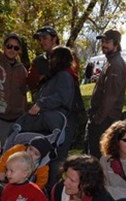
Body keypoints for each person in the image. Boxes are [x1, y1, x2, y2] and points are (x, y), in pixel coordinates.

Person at [12, 46, 83, 191]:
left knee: (56, 160)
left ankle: (52, 191)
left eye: (53, 58)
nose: (50, 60)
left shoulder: (64, 76)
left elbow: (62, 98)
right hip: (55, 124)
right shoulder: (60, 75)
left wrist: (41, 104)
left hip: (62, 125)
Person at [85, 29, 126, 159]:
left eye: (107, 42)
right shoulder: (110, 61)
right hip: (102, 118)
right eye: (102, 41)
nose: (103, 44)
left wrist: (98, 119)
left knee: (98, 158)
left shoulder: (115, 64)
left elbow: (111, 96)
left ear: (116, 44)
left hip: (105, 120)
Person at [27, 26, 60, 100]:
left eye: (44, 38)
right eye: (39, 39)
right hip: (44, 106)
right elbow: (30, 82)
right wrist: (40, 78)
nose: (41, 42)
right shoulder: (38, 61)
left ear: (54, 39)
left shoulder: (68, 57)